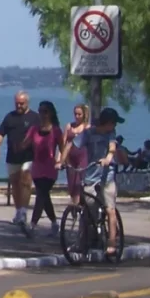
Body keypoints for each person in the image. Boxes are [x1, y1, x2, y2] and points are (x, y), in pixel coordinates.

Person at [79, 107, 128, 255]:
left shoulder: (111, 134)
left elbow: (112, 149)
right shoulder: (89, 133)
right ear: (107, 123)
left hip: (108, 177)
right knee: (88, 212)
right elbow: (74, 145)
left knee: (110, 210)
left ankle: (111, 244)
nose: (115, 127)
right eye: (114, 123)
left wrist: (108, 159)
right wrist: (63, 161)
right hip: (91, 176)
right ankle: (84, 241)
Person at [0, 91, 39, 227]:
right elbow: (0, 133)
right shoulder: (10, 117)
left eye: (22, 103)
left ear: (27, 103)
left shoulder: (35, 118)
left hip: (29, 156)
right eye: (17, 103)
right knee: (15, 184)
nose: (19, 106)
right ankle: (18, 210)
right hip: (12, 156)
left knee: (25, 181)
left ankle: (24, 211)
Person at [23, 100, 63, 237]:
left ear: (51, 113)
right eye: (40, 111)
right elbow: (25, 143)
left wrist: (60, 161)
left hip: (50, 168)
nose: (42, 114)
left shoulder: (56, 130)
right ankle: (54, 223)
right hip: (37, 168)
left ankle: (32, 225)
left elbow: (63, 149)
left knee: (41, 195)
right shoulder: (34, 129)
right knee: (44, 197)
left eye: (45, 111)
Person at [62, 104, 91, 206]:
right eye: (75, 114)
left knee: (80, 183)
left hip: (82, 157)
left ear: (83, 115)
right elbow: (63, 143)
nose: (77, 116)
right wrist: (60, 160)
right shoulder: (69, 126)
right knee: (72, 185)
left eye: (79, 114)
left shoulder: (87, 128)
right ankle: (75, 207)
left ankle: (80, 205)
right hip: (70, 158)